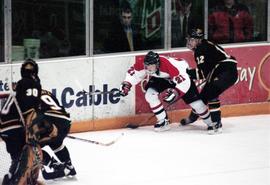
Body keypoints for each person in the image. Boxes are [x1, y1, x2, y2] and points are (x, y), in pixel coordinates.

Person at [120, 51, 215, 133]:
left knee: (196, 104)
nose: (148, 68)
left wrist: (176, 92)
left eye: (151, 66)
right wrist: (127, 84)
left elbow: (184, 82)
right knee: (150, 95)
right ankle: (163, 121)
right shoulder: (144, 64)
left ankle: (212, 123)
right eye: (146, 66)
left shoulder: (169, 65)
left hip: (182, 77)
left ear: (157, 64)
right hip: (161, 78)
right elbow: (133, 73)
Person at [182, 28, 238, 133]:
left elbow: (202, 73)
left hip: (226, 71)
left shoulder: (200, 49)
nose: (189, 42)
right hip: (223, 71)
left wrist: (187, 73)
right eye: (189, 39)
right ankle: (192, 118)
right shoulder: (206, 44)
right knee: (203, 96)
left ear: (198, 40)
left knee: (212, 92)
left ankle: (217, 123)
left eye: (191, 40)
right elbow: (207, 69)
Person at [0, 58, 43, 185]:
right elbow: (29, 109)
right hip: (14, 125)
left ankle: (10, 177)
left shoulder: (20, 84)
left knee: (16, 156)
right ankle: (14, 181)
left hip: (4, 126)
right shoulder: (34, 85)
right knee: (22, 156)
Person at [35, 89, 77, 180]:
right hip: (66, 122)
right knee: (56, 142)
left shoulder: (29, 93)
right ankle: (69, 166)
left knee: (31, 145)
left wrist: (49, 126)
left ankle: (55, 165)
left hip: (50, 124)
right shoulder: (45, 91)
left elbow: (36, 114)